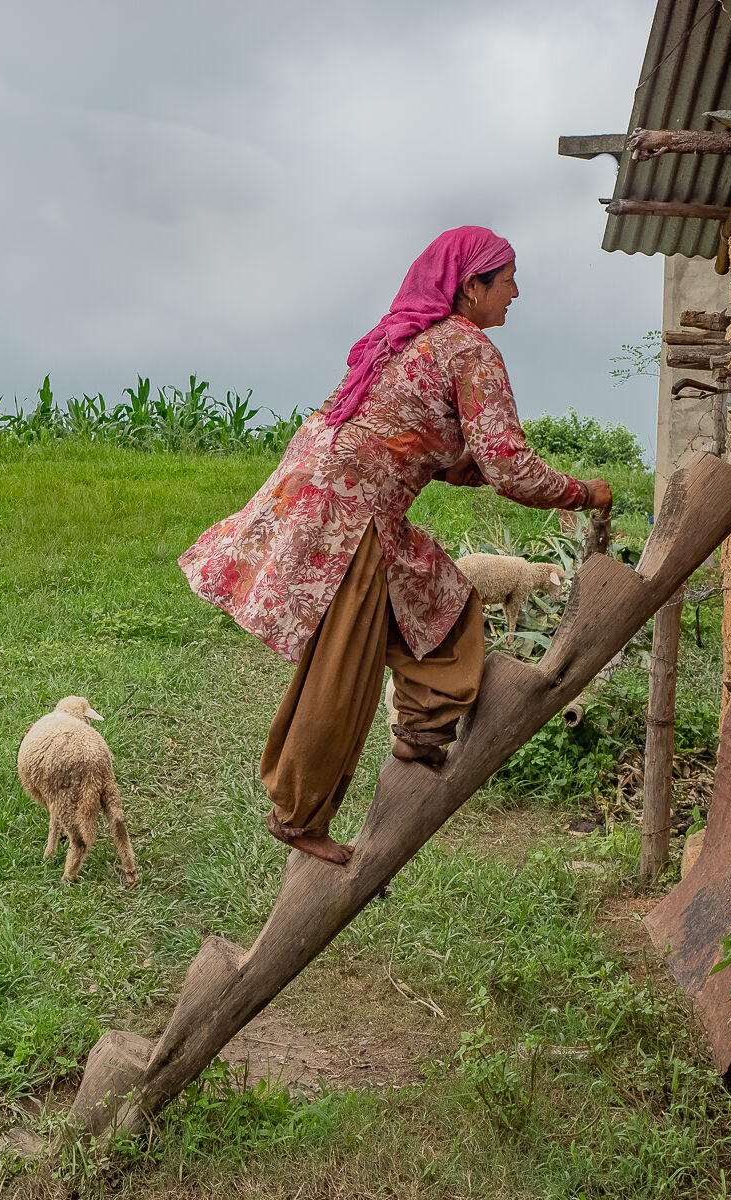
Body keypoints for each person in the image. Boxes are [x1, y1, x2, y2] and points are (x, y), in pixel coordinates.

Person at [179, 226, 612, 866]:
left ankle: (418, 730)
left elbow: (420, 438)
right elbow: (505, 463)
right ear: (471, 288)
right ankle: (299, 816)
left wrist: (463, 464)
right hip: (355, 514)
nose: (517, 293)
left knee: (447, 600)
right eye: (507, 280)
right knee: (342, 669)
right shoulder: (468, 348)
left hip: (332, 492)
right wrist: (584, 493)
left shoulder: (403, 339)